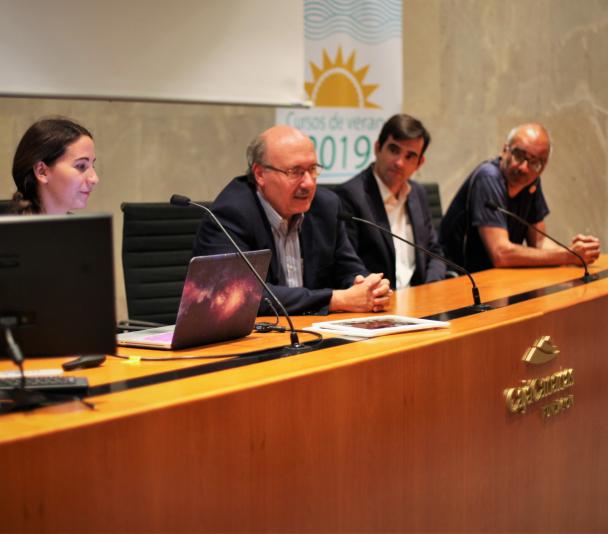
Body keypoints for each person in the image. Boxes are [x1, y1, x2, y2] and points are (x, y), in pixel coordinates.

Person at [192, 125, 391, 315]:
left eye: (312, 169)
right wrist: (336, 300)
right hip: (254, 340)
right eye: (295, 172)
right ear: (260, 174)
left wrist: (368, 287)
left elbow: (349, 270)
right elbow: (239, 295)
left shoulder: (326, 206)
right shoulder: (231, 214)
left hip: (313, 334)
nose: (308, 183)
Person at [439, 123, 600, 272]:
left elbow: (539, 243)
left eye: (535, 162)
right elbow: (500, 254)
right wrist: (567, 256)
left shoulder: (531, 183)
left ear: (543, 167)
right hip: (459, 278)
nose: (524, 168)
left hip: (496, 279)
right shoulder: (488, 178)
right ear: (505, 150)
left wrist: (577, 252)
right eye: (519, 155)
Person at [335, 113, 446, 289]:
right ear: (378, 148)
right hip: (380, 304)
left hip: (420, 301)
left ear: (419, 163)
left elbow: (434, 252)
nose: (400, 163)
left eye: (410, 156)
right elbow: (348, 266)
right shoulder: (350, 196)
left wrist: (431, 288)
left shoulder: (418, 193)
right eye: (394, 150)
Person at [9, 117, 99, 215]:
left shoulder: (81, 228)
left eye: (92, 166)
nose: (94, 179)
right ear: (42, 171)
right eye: (81, 166)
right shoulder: (9, 229)